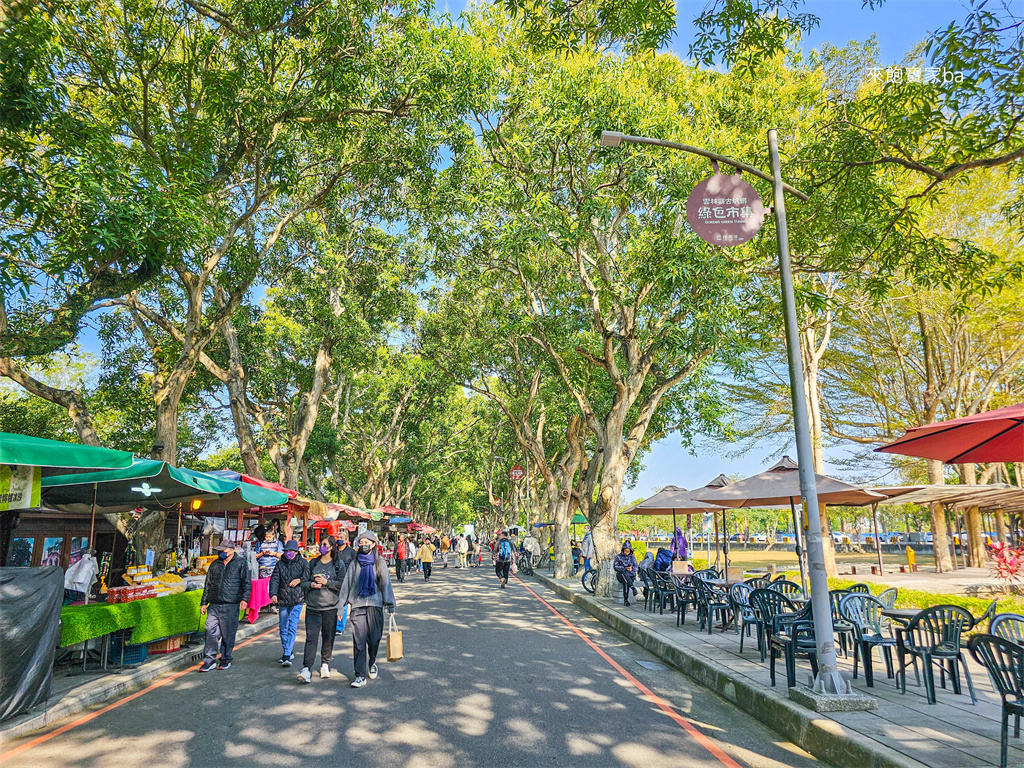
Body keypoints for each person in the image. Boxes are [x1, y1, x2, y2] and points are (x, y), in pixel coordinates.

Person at [339, 530, 396, 689]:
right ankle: (359, 675)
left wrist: (390, 604)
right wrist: (339, 608)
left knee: (374, 639)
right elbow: (346, 586)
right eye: (361, 542)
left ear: (373, 544)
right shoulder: (354, 563)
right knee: (359, 642)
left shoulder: (380, 563)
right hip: (357, 607)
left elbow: (386, 585)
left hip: (375, 606)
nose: (363, 545)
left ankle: (372, 662)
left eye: (366, 542)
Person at [296, 536, 346, 684]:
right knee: (311, 639)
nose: (321, 547)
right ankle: (306, 669)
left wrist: (327, 582)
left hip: (330, 607)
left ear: (331, 547)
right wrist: (311, 585)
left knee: (328, 637)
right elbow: (303, 582)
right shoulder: (312, 563)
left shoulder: (338, 564)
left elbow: (342, 584)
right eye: (320, 544)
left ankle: (325, 663)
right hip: (313, 607)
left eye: (324, 544)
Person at [199, 540, 251, 672]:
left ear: (232, 550)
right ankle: (209, 660)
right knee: (210, 631)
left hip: (231, 604)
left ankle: (225, 658)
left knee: (228, 634)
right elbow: (208, 584)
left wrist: (244, 599)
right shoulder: (215, 564)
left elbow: (246, 583)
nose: (222, 553)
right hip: (214, 604)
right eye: (220, 550)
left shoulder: (241, 563)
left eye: (224, 550)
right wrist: (204, 602)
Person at [269, 539, 305, 665]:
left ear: (296, 552)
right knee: (283, 627)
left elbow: (308, 577)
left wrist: (299, 580)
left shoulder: (303, 563)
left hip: (297, 599)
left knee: (292, 625)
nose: (288, 553)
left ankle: (287, 654)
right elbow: (274, 579)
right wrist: (273, 594)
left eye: (291, 551)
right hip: (283, 599)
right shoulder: (280, 564)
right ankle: (287, 650)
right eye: (286, 551)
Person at [613, 541, 639, 606]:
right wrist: (624, 568)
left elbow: (636, 567)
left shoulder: (632, 557)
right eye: (625, 551)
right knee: (624, 574)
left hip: (630, 575)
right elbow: (615, 567)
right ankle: (632, 588)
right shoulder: (618, 557)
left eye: (628, 551)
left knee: (626, 580)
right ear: (623, 550)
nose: (627, 553)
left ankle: (626, 599)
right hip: (621, 575)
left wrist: (632, 568)